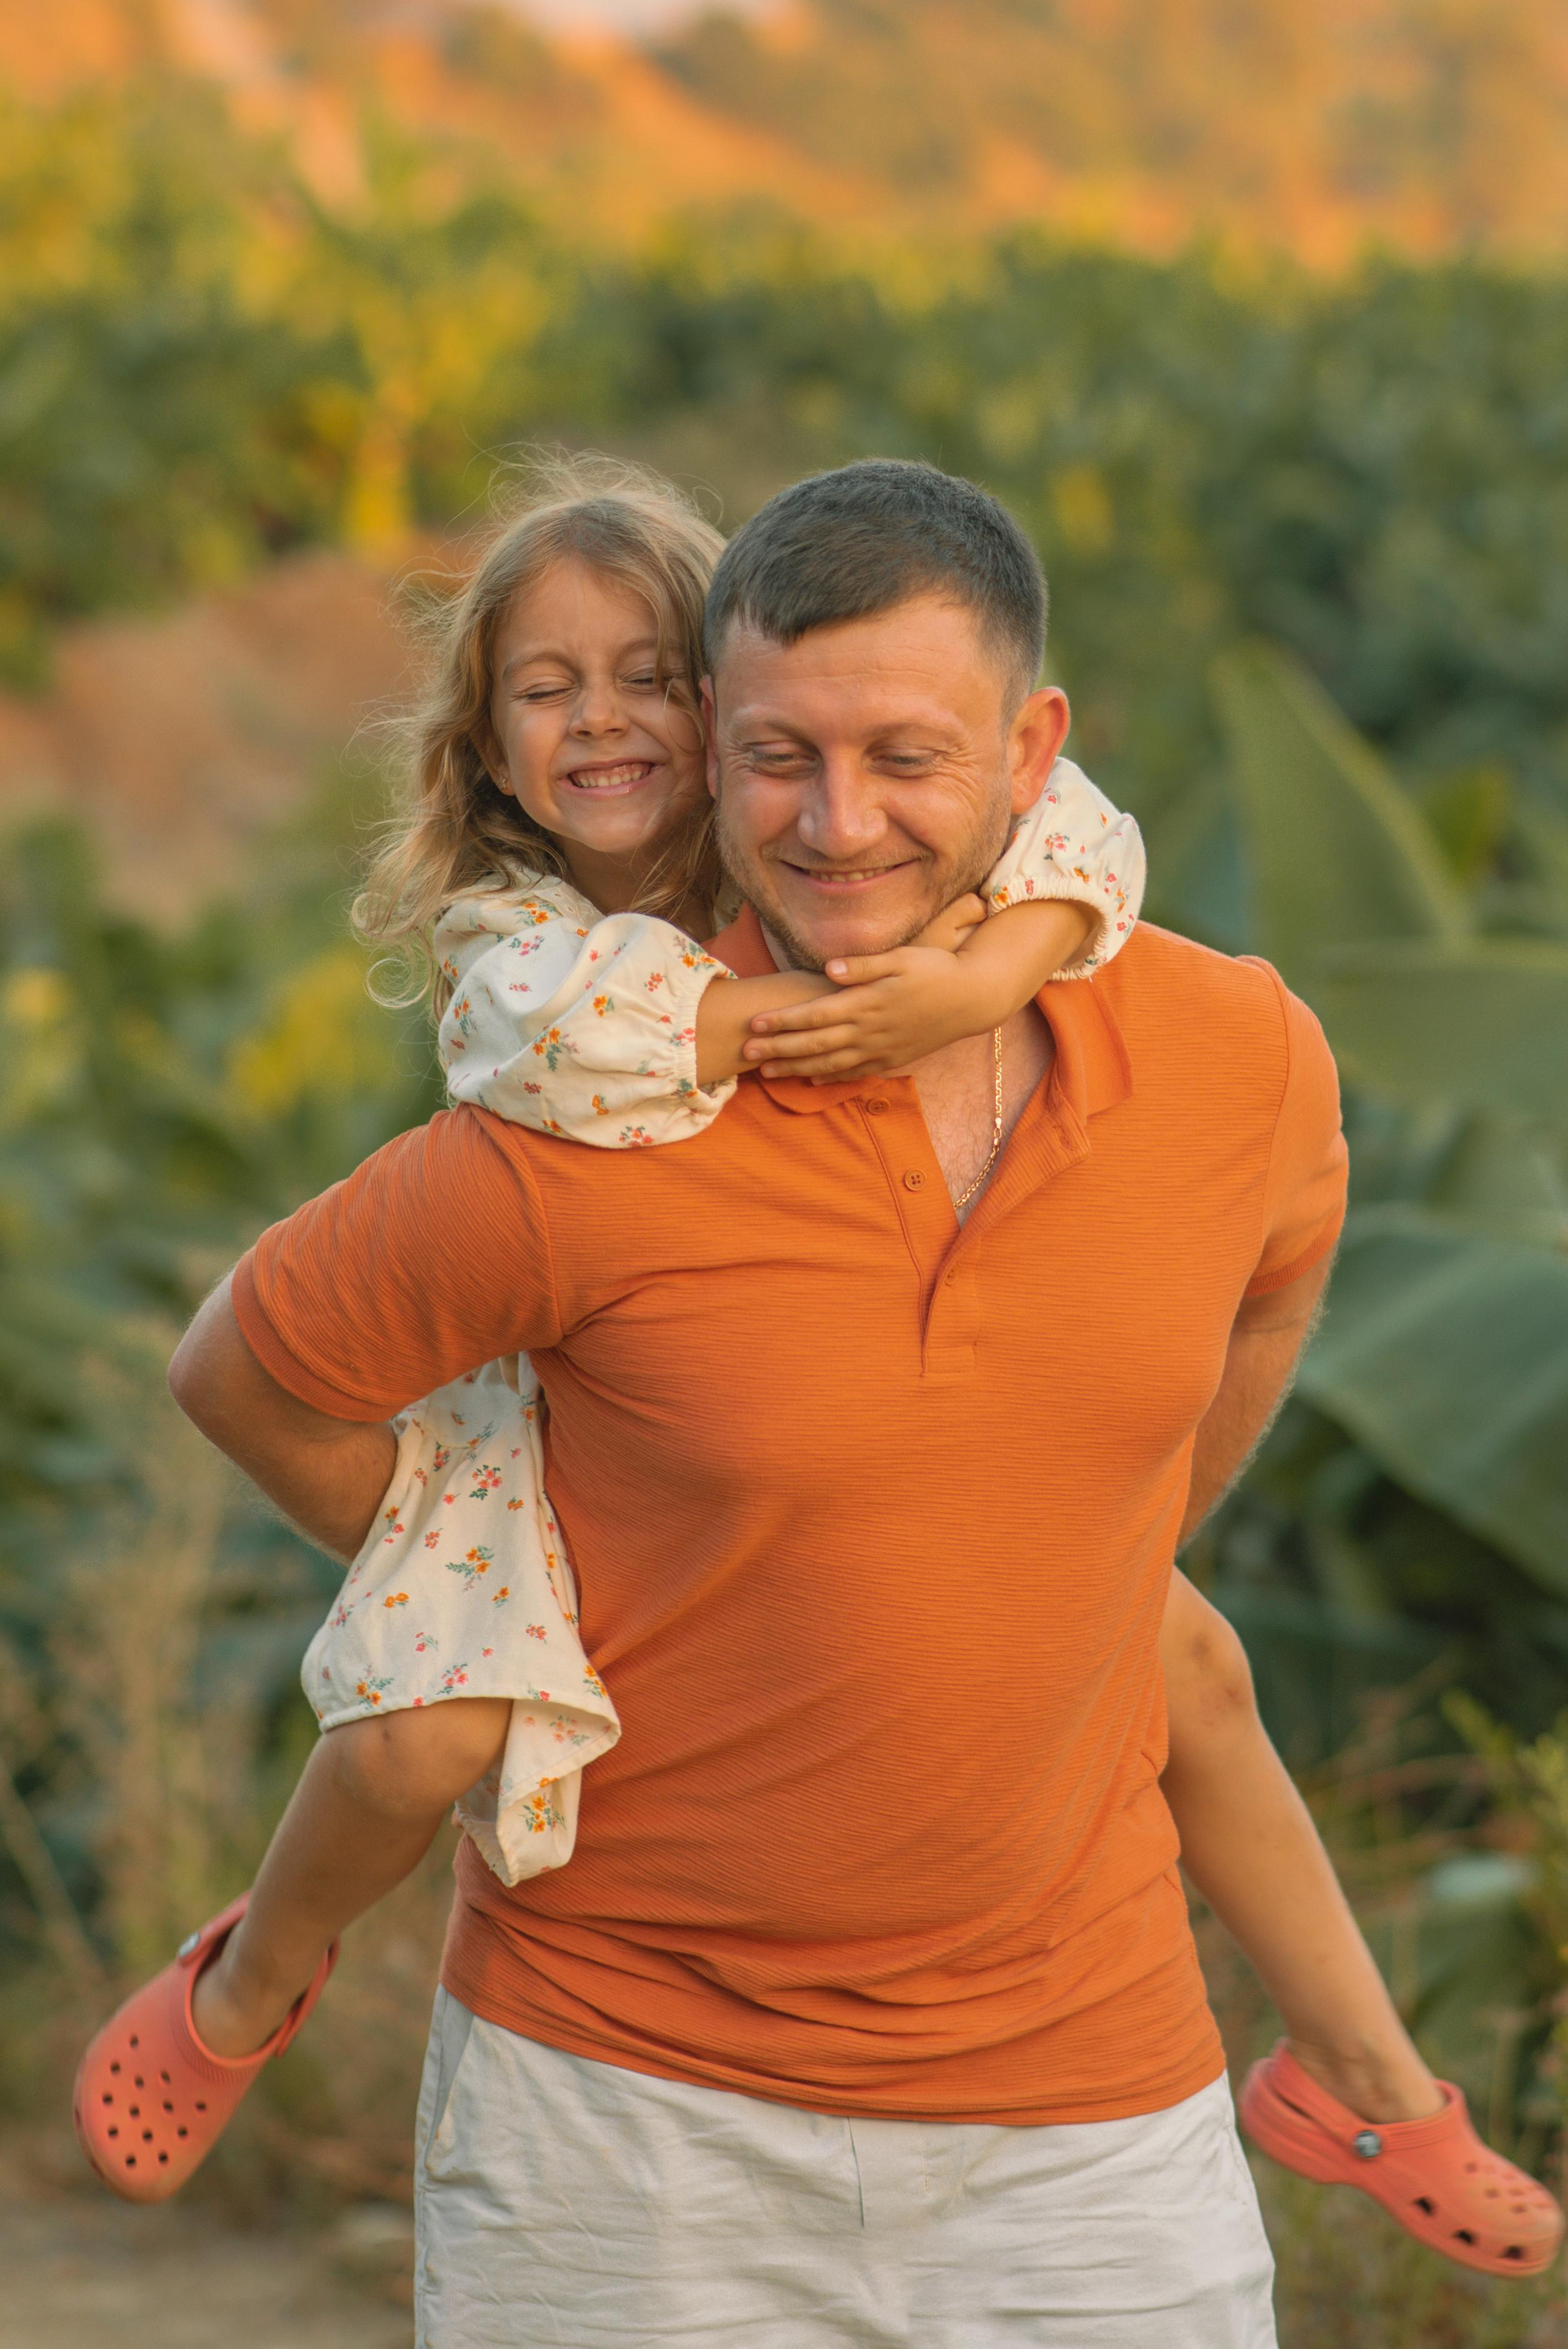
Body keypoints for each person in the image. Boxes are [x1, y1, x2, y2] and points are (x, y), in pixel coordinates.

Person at [74, 459, 1561, 2334]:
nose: (839, 822)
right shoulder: (575, 1105)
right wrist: (525, 1576)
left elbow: (1269, 1288)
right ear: (721, 747)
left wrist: (1085, 1558)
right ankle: (246, 1982)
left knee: (1193, 1663)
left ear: (1034, 751)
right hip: (621, 2128)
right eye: (782, 757)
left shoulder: (1233, 1057)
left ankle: (1362, 2081)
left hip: (1095, 2134)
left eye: (908, 760)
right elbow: (251, 1371)